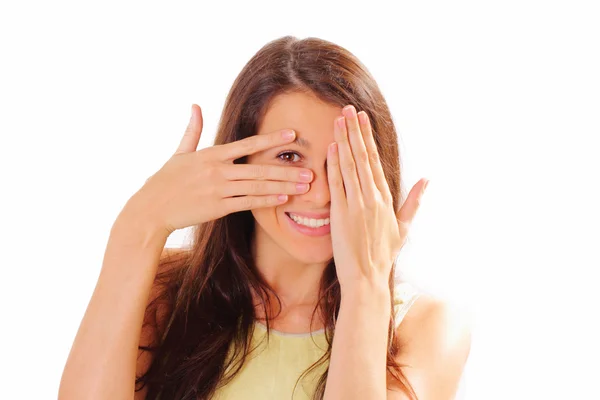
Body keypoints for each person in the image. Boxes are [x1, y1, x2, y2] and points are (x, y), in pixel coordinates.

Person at [58, 36, 471, 400]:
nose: (322, 193)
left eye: (343, 163)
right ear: (238, 160)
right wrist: (139, 223)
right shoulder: (164, 290)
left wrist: (365, 288)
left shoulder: (425, 328)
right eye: (290, 156)